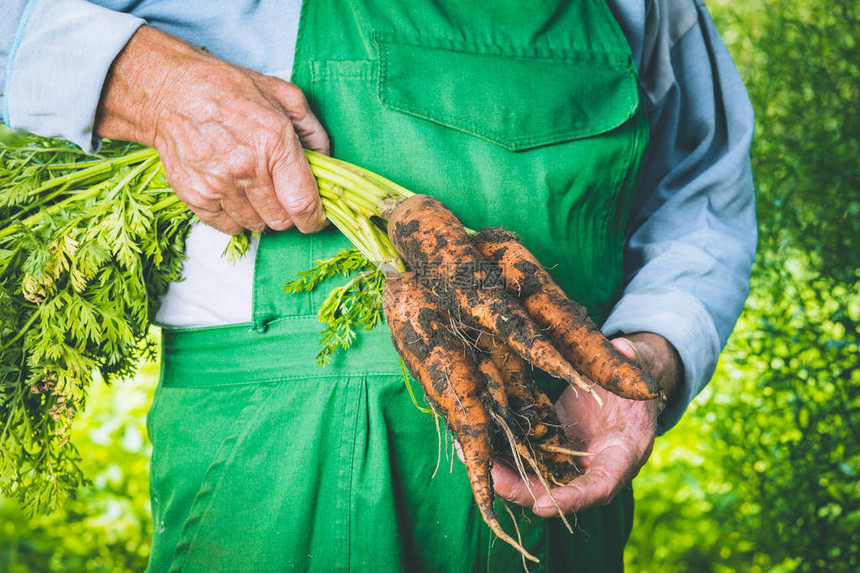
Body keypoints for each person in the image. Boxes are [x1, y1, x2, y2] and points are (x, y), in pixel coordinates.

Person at [1, 0, 756, 570]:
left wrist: (643, 362)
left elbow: (702, 190)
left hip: (555, 448)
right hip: (279, 458)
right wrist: (155, 84)